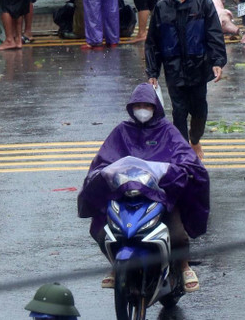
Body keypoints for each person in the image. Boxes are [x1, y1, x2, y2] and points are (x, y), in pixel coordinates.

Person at [78, 83, 209, 294]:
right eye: (137, 105)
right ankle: (115, 265)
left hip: (160, 195)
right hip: (125, 195)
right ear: (131, 107)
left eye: (146, 105)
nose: (142, 109)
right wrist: (104, 173)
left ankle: (184, 267)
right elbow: (104, 159)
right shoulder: (122, 131)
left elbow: (185, 157)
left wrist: (176, 171)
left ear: (154, 106)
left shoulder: (167, 131)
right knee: (104, 232)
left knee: (177, 235)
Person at [144, 0, 227, 160]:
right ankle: (182, 151)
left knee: (199, 110)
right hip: (174, 69)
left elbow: (214, 33)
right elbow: (152, 43)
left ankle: (195, 139)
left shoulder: (203, 3)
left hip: (198, 67)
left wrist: (217, 61)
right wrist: (153, 72)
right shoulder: (161, 9)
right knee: (178, 112)